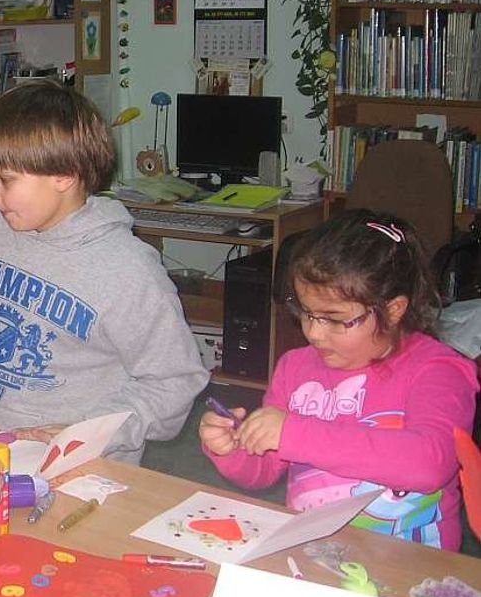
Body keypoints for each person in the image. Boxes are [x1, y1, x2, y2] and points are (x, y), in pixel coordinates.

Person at [0, 81, 208, 463]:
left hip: (78, 466)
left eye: (4, 179)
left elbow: (175, 381)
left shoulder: (128, 270)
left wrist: (88, 431)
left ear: (64, 174)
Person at [200, 210, 478, 550]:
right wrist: (232, 450)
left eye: (335, 320)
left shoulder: (438, 370)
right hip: (315, 551)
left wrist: (294, 433)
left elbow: (429, 463)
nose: (313, 332)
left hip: (410, 565)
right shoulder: (295, 367)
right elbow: (265, 470)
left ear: (393, 310)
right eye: (306, 312)